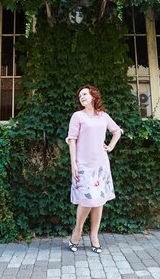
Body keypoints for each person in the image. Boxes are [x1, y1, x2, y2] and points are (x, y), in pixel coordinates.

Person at [65, 85, 122, 254]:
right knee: (86, 200)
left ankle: (94, 235)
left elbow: (117, 131)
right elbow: (72, 140)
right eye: (79, 95)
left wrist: (110, 147)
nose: (81, 97)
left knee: (98, 202)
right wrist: (73, 164)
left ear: (93, 96)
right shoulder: (77, 116)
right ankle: (77, 230)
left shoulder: (103, 116)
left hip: (101, 166)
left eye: (85, 94)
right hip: (83, 165)